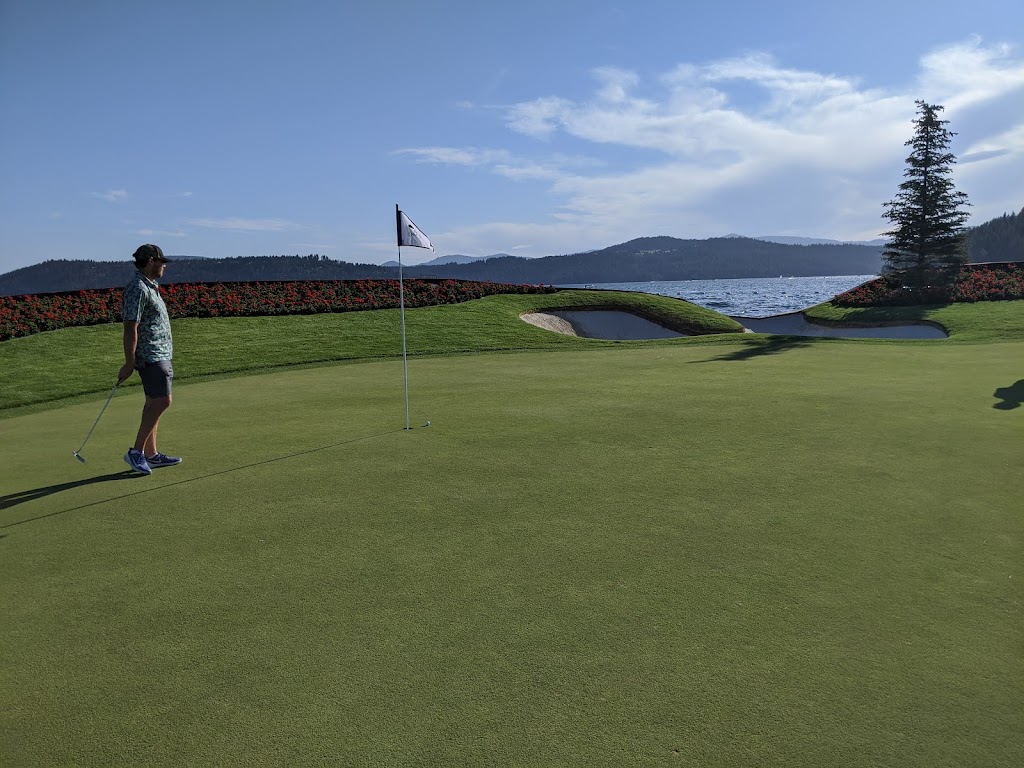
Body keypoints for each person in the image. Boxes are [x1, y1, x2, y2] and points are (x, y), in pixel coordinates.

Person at [119, 244, 182, 475]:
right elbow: (130, 327)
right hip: (151, 355)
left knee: (153, 402)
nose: (164, 265)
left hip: (159, 353)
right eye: (161, 261)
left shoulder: (149, 286)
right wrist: (129, 362)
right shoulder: (138, 288)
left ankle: (151, 454)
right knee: (162, 401)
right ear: (149, 261)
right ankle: (136, 452)